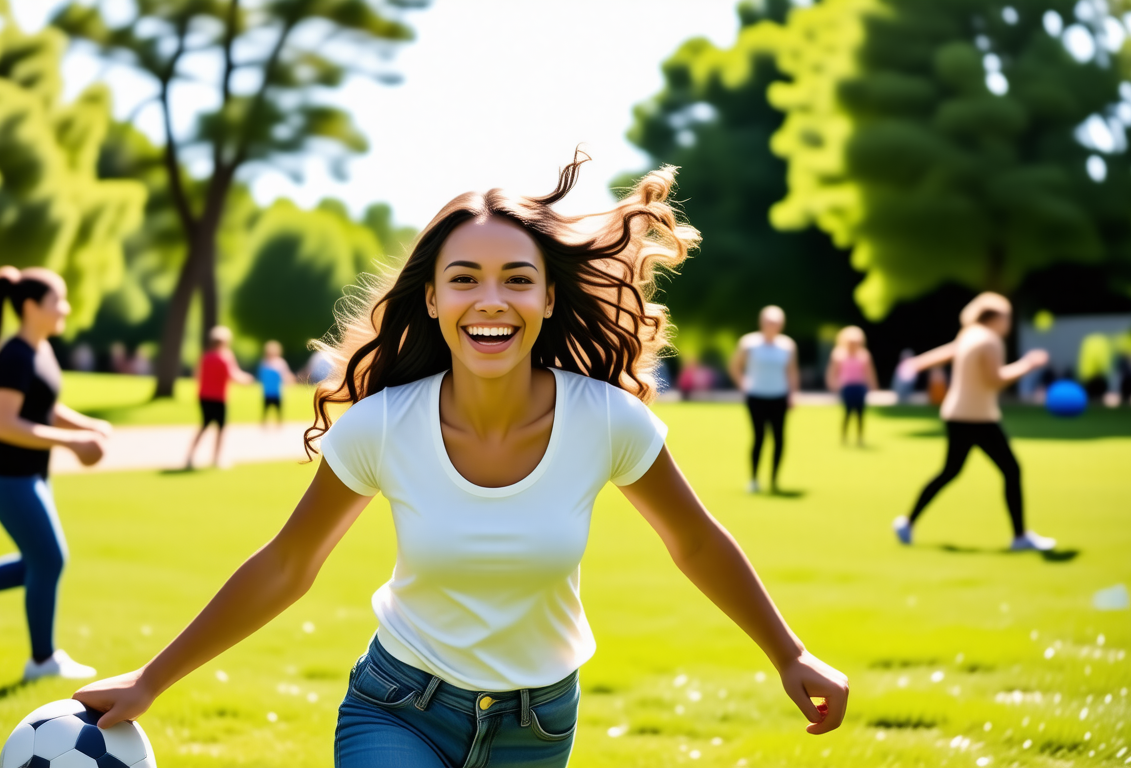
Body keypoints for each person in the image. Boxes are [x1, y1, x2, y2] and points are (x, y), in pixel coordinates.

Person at [73, 156, 849, 766]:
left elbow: (696, 541)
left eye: (517, 279)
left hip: (537, 724)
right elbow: (286, 565)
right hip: (397, 707)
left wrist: (790, 653)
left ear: (548, 299)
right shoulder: (381, 428)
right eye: (464, 279)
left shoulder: (605, 420)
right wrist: (150, 681)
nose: (490, 300)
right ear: (435, 300)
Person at [0, 266, 109, 680]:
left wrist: (87, 426)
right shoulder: (14, 355)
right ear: (31, 307)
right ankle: (42, 661)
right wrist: (71, 444)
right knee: (49, 558)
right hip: (4, 474)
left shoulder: (41, 349)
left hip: (30, 473)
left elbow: (44, 409)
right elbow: (4, 424)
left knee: (41, 559)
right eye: (57, 301)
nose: (65, 308)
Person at [893, 292, 1056, 551]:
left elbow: (947, 352)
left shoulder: (969, 334)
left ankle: (907, 522)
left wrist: (917, 363)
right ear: (996, 318)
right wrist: (1027, 365)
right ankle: (1020, 537)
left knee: (950, 472)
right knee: (1011, 470)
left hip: (956, 415)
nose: (1008, 323)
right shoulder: (990, 341)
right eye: (1007, 317)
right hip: (977, 417)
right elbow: (995, 380)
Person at [729, 306, 799, 493]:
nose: (772, 326)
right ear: (762, 323)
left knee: (779, 438)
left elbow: (791, 372)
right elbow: (735, 365)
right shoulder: (749, 343)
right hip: (756, 396)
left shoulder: (787, 345)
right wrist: (744, 384)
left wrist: (793, 394)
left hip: (779, 396)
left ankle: (774, 480)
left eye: (776, 323)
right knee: (759, 437)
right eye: (769, 322)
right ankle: (753, 479)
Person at [185, 326, 255, 470]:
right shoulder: (225, 357)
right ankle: (216, 459)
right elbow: (233, 375)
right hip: (218, 398)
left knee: (204, 426)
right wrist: (247, 379)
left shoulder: (205, 357)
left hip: (204, 396)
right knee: (221, 428)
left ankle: (190, 457)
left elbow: (197, 375)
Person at [826, 326, 878, 446]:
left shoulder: (864, 355)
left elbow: (869, 372)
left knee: (860, 414)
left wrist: (873, 386)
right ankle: (844, 438)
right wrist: (833, 384)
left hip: (860, 387)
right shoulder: (839, 354)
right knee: (847, 413)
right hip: (846, 387)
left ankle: (859, 438)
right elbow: (832, 371)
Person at [257, 340, 295, 428]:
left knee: (279, 411)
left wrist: (289, 380)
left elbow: (285, 375)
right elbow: (261, 376)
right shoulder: (264, 363)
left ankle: (279, 426)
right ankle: (264, 426)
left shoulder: (280, 363)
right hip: (267, 392)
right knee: (265, 410)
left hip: (277, 392)